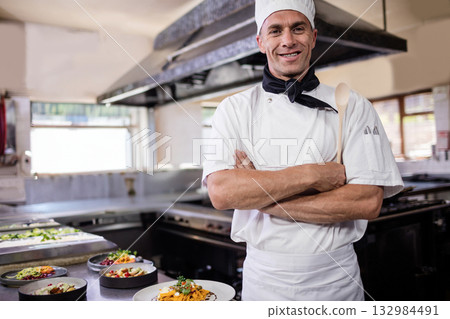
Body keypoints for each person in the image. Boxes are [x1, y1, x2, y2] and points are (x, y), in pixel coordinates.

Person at [202, 0, 403, 301]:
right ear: (260, 41)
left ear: (313, 36)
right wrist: (313, 175)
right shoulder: (233, 110)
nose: (287, 40)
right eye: (275, 30)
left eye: (298, 28)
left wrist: (260, 198)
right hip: (265, 282)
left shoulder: (353, 105)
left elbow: (366, 201)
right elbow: (222, 193)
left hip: (336, 282)